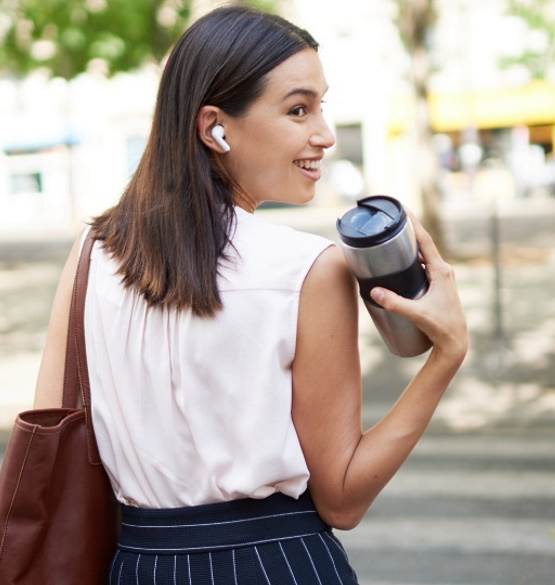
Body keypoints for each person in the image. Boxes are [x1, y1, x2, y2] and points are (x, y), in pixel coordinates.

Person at [31, 6, 468, 585]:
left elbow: (49, 426)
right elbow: (342, 498)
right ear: (215, 126)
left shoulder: (93, 254)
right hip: (274, 564)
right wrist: (446, 357)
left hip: (139, 566)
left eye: (321, 105)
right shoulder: (311, 270)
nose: (325, 134)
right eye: (297, 109)